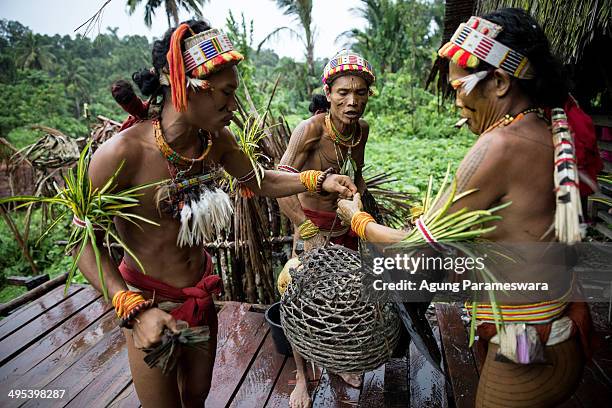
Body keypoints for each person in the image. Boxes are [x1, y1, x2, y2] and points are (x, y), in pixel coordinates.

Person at [77, 20, 357, 408]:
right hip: (151, 307)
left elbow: (257, 181)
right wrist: (132, 309)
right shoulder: (120, 156)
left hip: (201, 298)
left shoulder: (214, 140)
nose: (233, 106)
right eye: (225, 94)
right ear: (184, 86)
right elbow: (83, 242)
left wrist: (317, 181)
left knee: (196, 396)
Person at [337, 9, 593, 408]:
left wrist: (359, 221)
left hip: (528, 345)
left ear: (500, 82)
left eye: (460, 87)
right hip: (552, 329)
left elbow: (415, 248)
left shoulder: (499, 146)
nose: (456, 99)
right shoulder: (544, 128)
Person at [276, 49, 374, 408]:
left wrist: (360, 206)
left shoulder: (361, 130)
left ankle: (343, 361)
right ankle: (302, 378)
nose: (352, 101)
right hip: (310, 225)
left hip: (345, 224)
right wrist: (307, 231)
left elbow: (358, 175)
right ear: (328, 94)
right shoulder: (310, 131)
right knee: (298, 298)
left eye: (360, 93)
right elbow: (280, 186)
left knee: (347, 295)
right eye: (343, 93)